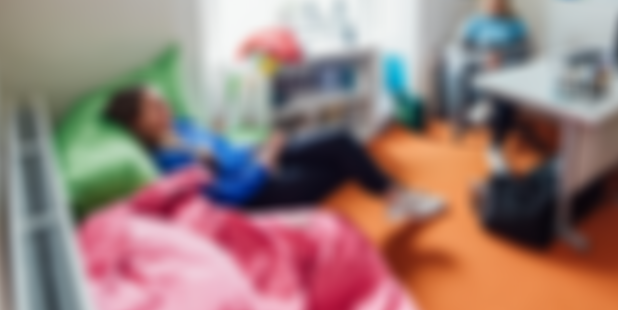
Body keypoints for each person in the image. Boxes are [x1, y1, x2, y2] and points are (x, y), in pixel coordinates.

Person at [104, 86, 447, 222]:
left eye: (161, 100)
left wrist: (261, 145)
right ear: (136, 125)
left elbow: (227, 148)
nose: (163, 107)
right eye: (152, 108)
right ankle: (396, 198)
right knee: (343, 166)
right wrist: (266, 161)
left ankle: (396, 196)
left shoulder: (182, 126)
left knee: (341, 140)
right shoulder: (168, 163)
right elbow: (228, 197)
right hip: (259, 191)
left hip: (257, 158)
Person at [454, 0, 532, 173]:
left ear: (506, 2)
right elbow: (462, 48)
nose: (495, 5)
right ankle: (484, 104)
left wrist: (502, 55)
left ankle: (495, 146)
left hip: (507, 68)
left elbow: (525, 50)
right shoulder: (473, 21)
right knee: (480, 79)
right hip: (481, 65)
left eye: (499, 1)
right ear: (485, 1)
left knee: (505, 93)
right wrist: (484, 56)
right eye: (491, 1)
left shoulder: (517, 23)